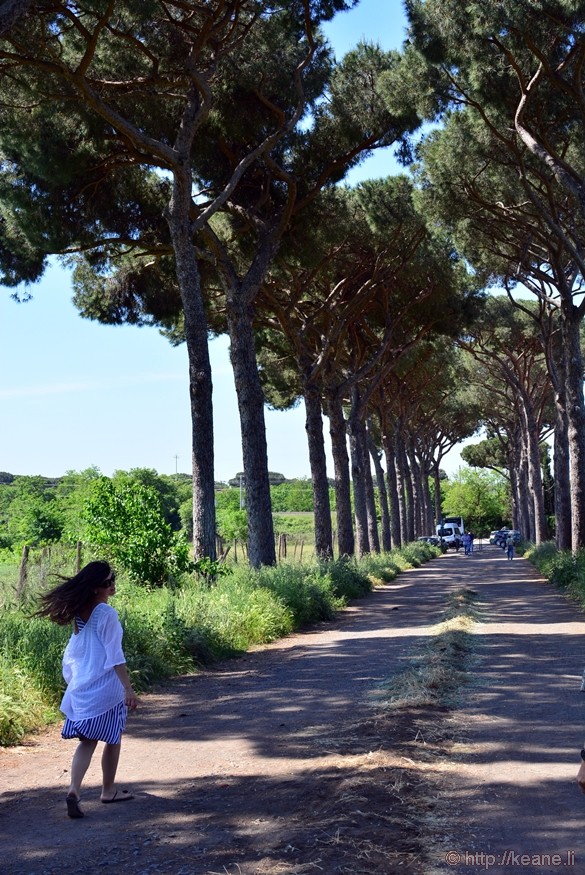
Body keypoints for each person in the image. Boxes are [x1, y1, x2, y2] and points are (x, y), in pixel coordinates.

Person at [36, 560, 138, 818]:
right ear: (96, 589)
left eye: (112, 579)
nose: (112, 585)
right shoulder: (106, 614)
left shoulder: (80, 613)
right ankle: (108, 790)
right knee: (113, 738)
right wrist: (128, 689)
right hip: (107, 688)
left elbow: (76, 652)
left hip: (84, 687)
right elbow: (115, 656)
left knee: (87, 741)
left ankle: (74, 790)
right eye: (107, 582)